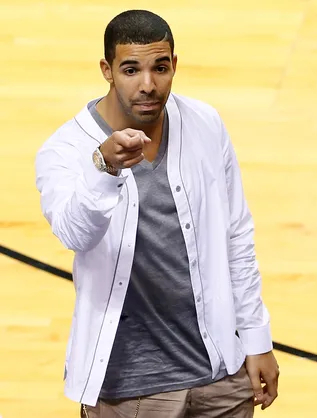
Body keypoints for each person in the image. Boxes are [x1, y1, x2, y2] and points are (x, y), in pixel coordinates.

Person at [35, 9, 279, 418]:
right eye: (131, 69)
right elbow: (74, 234)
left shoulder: (206, 123)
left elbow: (236, 235)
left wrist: (257, 339)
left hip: (221, 376)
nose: (148, 85)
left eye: (160, 68)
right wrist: (104, 168)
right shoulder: (65, 150)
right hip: (131, 392)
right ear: (107, 70)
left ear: (174, 65)